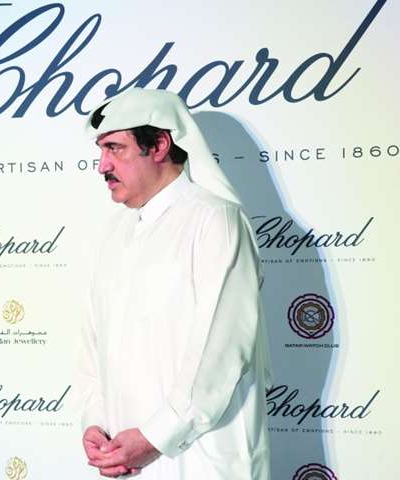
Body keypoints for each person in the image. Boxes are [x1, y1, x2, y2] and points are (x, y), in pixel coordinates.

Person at [76, 88, 272, 479]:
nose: (102, 166)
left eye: (115, 148)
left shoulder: (216, 220)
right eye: (101, 150)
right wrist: (95, 421)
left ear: (160, 145)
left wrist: (155, 437)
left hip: (202, 460)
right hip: (125, 458)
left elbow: (221, 352)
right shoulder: (113, 232)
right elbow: (92, 344)